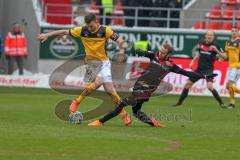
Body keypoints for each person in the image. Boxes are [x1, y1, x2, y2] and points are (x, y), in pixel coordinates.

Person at [88, 44, 217, 127]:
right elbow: (143, 52)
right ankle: (153, 123)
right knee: (136, 111)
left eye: (163, 52)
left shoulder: (171, 65)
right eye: (160, 51)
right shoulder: (154, 55)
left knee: (123, 103)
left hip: (147, 89)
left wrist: (204, 77)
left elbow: (188, 73)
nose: (160, 53)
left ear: (168, 54)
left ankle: (100, 122)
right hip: (139, 84)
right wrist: (139, 51)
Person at [37, 13, 131, 125]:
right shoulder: (82, 30)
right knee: (98, 82)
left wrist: (121, 51)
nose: (90, 29)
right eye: (88, 26)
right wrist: (47, 35)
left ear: (97, 22)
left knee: (110, 90)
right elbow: (63, 32)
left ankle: (124, 115)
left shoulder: (106, 30)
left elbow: (121, 42)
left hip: (104, 62)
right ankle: (76, 101)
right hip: (91, 61)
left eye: (91, 26)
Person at [173, 30, 227, 108]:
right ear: (205, 36)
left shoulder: (216, 46)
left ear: (213, 37)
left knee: (210, 87)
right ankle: (179, 103)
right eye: (208, 35)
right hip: (199, 70)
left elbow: (225, 57)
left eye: (211, 35)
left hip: (208, 71)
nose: (209, 36)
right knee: (187, 85)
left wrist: (216, 50)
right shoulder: (201, 44)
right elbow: (198, 53)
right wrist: (192, 61)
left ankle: (222, 104)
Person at [224, 26, 240, 109]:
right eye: (232, 31)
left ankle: (232, 104)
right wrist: (220, 57)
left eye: (235, 31)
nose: (234, 32)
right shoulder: (228, 42)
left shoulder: (239, 41)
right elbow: (226, 53)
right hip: (230, 66)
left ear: (238, 33)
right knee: (227, 86)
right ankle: (232, 103)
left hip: (237, 66)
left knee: (230, 84)